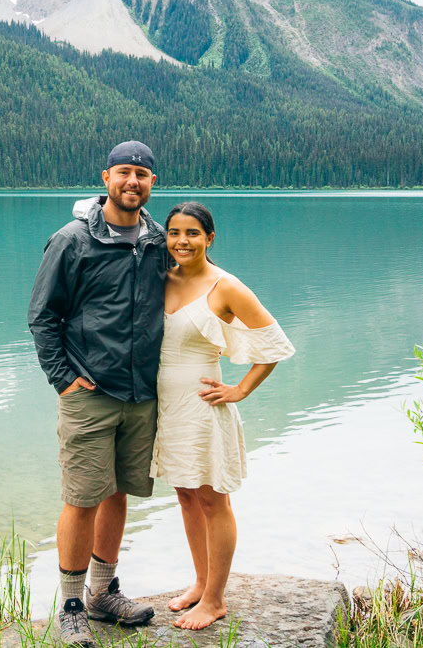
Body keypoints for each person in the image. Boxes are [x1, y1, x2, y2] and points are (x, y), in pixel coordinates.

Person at [28, 141, 171, 645]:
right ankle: (70, 605)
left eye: (143, 175)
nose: (134, 182)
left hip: (141, 393)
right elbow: (43, 316)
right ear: (106, 177)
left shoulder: (159, 240)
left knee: (119, 491)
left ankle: (103, 592)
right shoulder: (71, 240)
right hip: (89, 391)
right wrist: (63, 378)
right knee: (82, 497)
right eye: (125, 173)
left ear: (153, 183)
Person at [152, 201, 295, 630]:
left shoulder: (226, 286)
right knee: (185, 495)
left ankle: (214, 600)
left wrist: (240, 390)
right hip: (163, 405)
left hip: (203, 403)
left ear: (209, 238)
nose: (182, 241)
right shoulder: (159, 279)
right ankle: (199, 582)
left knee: (213, 499)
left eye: (192, 233)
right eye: (175, 232)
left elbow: (274, 346)